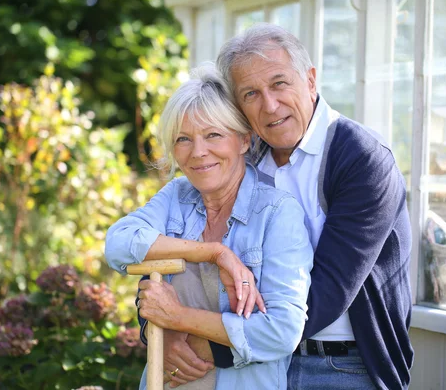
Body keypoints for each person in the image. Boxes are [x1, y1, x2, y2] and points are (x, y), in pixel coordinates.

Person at [147, 23, 414, 390]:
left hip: (340, 366)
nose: (270, 105)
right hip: (251, 368)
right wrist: (161, 329)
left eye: (279, 84)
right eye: (251, 94)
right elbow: (170, 235)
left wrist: (208, 344)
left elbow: (329, 290)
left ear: (310, 80)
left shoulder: (362, 159)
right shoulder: (241, 153)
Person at [105, 64, 314, 390]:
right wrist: (214, 253)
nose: (198, 152)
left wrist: (174, 319)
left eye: (213, 135)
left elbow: (281, 332)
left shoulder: (276, 213)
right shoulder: (176, 197)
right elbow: (117, 244)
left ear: (244, 140)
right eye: (183, 139)